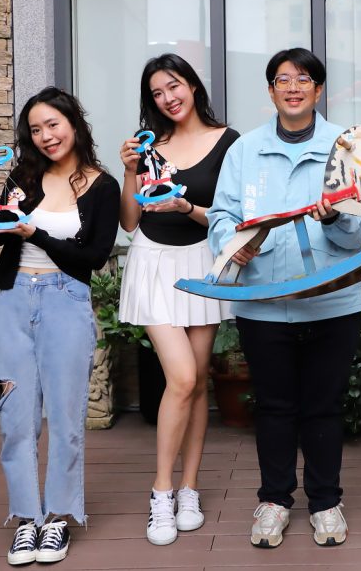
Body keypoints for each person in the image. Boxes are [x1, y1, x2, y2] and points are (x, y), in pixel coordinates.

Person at [207, 48, 361, 549]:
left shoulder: (345, 148)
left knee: (324, 406)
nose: (293, 88)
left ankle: (325, 502)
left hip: (332, 300)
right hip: (263, 301)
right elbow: (220, 216)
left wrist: (335, 217)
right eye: (283, 79)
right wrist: (234, 244)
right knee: (274, 406)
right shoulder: (244, 150)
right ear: (271, 90)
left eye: (303, 79)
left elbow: (357, 234)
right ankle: (274, 500)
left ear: (318, 90)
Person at [0, 87, 120, 566]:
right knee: (15, 416)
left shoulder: (102, 187)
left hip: (65, 301)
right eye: (35, 129)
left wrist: (36, 233)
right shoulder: (23, 176)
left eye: (52, 124)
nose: (45, 136)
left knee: (66, 418)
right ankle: (25, 518)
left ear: (73, 123)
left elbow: (92, 258)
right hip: (13, 300)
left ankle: (57, 517)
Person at [117, 54, 239, 545]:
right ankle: (161, 492)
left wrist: (187, 205)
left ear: (192, 85)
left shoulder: (228, 141)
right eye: (157, 93)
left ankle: (190, 488)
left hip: (203, 263)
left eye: (174, 86)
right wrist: (129, 172)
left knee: (198, 381)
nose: (168, 98)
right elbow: (130, 221)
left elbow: (230, 218)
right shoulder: (148, 144)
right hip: (154, 263)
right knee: (183, 377)